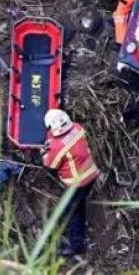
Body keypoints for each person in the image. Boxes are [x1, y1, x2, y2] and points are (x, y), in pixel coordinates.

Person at [39, 109, 99, 257]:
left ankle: (76, 246)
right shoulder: (77, 127)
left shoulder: (57, 145)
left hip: (77, 183)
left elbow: (50, 164)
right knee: (80, 206)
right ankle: (81, 230)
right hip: (91, 175)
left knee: (72, 213)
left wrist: (44, 153)